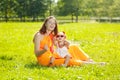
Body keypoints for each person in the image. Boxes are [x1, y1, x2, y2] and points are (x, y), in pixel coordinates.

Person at [33, 16, 105, 67]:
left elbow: (60, 42)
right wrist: (44, 50)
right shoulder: (39, 35)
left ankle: (88, 60)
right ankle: (94, 64)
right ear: (45, 24)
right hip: (45, 60)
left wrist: (66, 43)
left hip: (53, 55)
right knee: (68, 61)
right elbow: (36, 54)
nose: (52, 25)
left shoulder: (52, 35)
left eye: (54, 23)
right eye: (50, 23)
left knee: (73, 47)